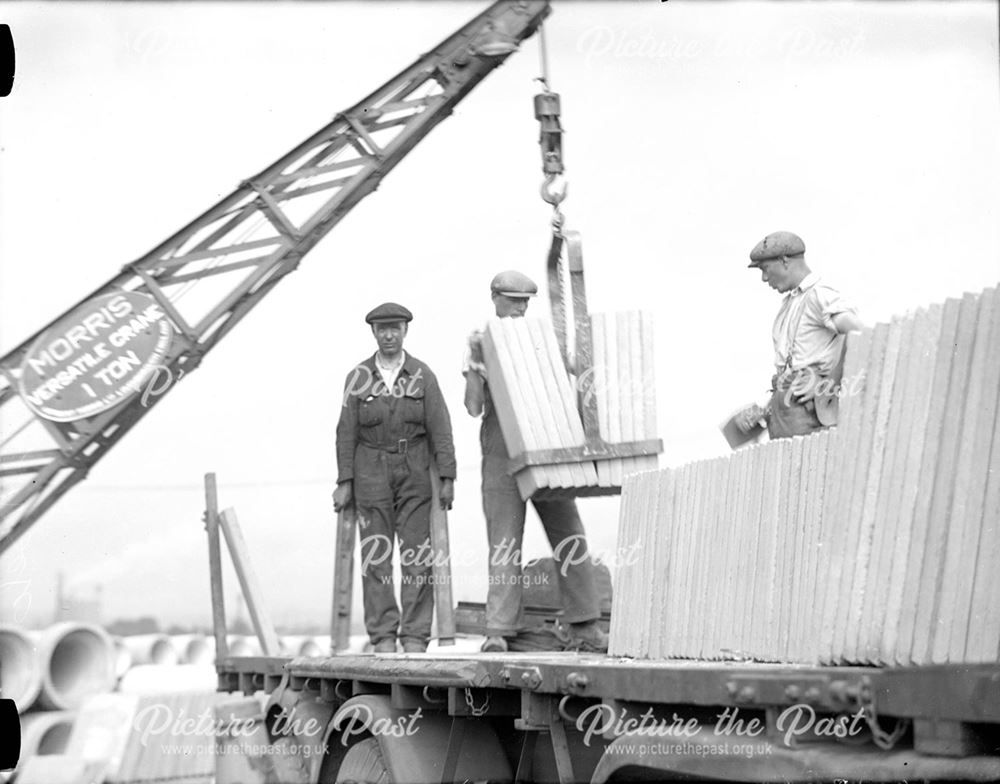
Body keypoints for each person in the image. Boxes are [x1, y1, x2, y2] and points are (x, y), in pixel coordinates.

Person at [464, 270, 608, 653]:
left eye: (525, 302)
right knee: (504, 542)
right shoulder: (480, 342)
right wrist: (476, 369)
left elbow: (573, 383)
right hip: (500, 452)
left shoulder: (544, 340)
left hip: (546, 444)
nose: (520, 309)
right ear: (494, 298)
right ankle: (498, 630)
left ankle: (586, 626)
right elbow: (473, 407)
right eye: (512, 301)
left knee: (569, 533)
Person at [333, 302, 456, 654]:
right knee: (376, 558)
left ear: (405, 331)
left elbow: (441, 427)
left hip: (414, 470)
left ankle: (415, 637)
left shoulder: (423, 375)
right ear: (373, 333)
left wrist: (447, 475)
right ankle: (384, 637)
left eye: (395, 328)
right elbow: (345, 432)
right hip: (370, 469)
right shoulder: (357, 377)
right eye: (382, 329)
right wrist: (345, 482)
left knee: (417, 556)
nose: (389, 335)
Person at [737, 231, 863, 440]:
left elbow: (858, 332)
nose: (764, 278)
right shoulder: (789, 304)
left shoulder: (820, 294)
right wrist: (765, 410)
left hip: (808, 412)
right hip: (786, 409)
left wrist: (828, 386)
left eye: (765, 269)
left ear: (784, 261)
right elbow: (792, 368)